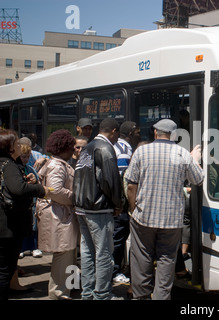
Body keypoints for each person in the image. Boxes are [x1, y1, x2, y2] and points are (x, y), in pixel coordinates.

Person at [125, 119, 203, 300]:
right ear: (174, 135)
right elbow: (198, 179)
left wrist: (134, 209)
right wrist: (194, 159)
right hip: (171, 220)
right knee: (167, 261)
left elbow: (131, 186)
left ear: (155, 133)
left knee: (141, 258)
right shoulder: (182, 153)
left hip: (143, 217)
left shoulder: (141, 151)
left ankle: (141, 296)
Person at [73, 118, 125, 300]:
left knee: (88, 253)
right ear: (113, 131)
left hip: (82, 207)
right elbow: (111, 180)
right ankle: (102, 293)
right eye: (117, 135)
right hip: (98, 207)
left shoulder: (87, 147)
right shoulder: (105, 148)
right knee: (103, 253)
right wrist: (118, 204)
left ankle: (87, 292)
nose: (118, 139)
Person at [0, 129, 48, 300]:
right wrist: (40, 189)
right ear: (10, 147)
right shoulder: (9, 165)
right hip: (8, 227)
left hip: (6, 225)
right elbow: (18, 189)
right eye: (17, 143)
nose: (20, 146)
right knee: (5, 269)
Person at [35, 129, 79, 300]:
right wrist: (75, 197)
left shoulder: (54, 163)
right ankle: (59, 294)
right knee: (64, 256)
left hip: (62, 215)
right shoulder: (56, 166)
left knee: (70, 254)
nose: (74, 150)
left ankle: (71, 288)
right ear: (64, 147)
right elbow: (55, 191)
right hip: (60, 216)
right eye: (72, 147)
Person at [112, 121, 141, 285]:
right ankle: (115, 270)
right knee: (119, 237)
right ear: (130, 133)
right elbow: (125, 182)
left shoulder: (121, 148)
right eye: (138, 132)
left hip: (119, 204)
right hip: (122, 206)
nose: (139, 135)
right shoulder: (124, 151)